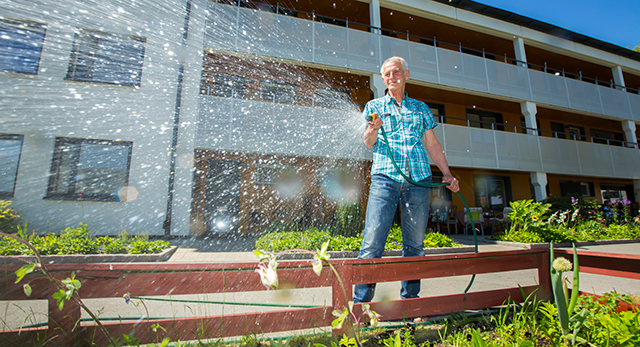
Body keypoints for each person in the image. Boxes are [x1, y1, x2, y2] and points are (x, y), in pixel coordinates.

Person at [354, 56, 459, 303]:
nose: (392, 77)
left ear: (407, 74)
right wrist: (373, 129)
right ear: (383, 79)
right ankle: (360, 307)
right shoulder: (374, 107)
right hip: (385, 179)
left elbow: (432, 144)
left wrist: (447, 172)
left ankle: (410, 305)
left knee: (414, 246)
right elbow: (368, 142)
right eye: (387, 74)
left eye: (397, 72)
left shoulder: (421, 108)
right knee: (372, 243)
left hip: (419, 182)